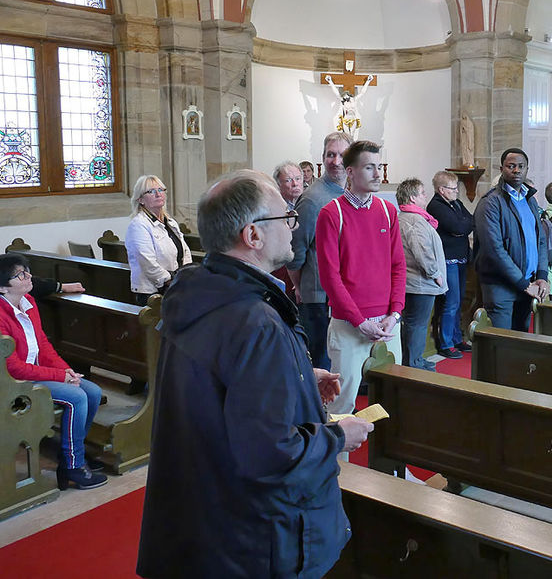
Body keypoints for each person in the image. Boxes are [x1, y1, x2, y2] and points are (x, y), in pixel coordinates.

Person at [136, 170, 373, 578]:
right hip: (256, 536)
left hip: (208, 512)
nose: (294, 226)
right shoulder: (254, 320)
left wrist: (297, 374)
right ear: (253, 235)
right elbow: (270, 453)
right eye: (286, 218)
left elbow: (216, 391)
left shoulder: (201, 292)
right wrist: (338, 436)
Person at [0, 253, 107, 490]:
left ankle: (71, 455)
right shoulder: (0, 314)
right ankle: (73, 466)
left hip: (35, 372)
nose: (28, 277)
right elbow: (13, 367)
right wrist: (59, 377)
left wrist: (66, 370)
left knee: (92, 391)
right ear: (3, 287)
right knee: (76, 397)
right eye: (20, 274)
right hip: (12, 382)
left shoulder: (29, 302)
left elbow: (43, 346)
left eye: (27, 271)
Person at [316, 140, 405, 416]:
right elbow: (330, 277)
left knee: (392, 400)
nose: (378, 174)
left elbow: (398, 266)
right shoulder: (332, 214)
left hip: (388, 325)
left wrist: (395, 313)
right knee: (342, 404)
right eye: (370, 167)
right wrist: (360, 321)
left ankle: (391, 462)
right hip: (349, 326)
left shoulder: (388, 211)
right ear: (350, 172)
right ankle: (338, 460)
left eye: (379, 167)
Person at [288, 132, 353, 370]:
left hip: (344, 293)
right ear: (322, 158)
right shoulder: (313, 199)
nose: (336, 161)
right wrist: (301, 286)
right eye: (330, 155)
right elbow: (295, 252)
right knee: (322, 362)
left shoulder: (351, 193)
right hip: (318, 298)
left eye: (342, 154)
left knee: (342, 361)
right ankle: (321, 408)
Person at [473, 148, 549, 331]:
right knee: (502, 342)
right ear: (501, 169)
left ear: (527, 169)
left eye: (521, 166)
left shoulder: (529, 199)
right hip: (501, 286)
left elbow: (540, 240)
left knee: (520, 341)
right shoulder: (490, 202)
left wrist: (542, 276)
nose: (516, 170)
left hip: (527, 283)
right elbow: (494, 250)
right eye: (511, 166)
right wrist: (523, 284)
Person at [397, 178, 447, 370]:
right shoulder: (414, 221)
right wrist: (435, 274)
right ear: (412, 197)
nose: (426, 196)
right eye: (422, 193)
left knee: (413, 324)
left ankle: (413, 360)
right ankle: (413, 363)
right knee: (416, 326)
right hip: (419, 283)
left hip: (413, 282)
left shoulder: (407, 217)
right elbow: (422, 251)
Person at [427, 170, 474, 358]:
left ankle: (456, 338)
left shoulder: (455, 203)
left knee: (459, 300)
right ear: (441, 190)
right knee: (450, 302)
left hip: (461, 257)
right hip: (447, 260)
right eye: (453, 188)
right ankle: (445, 342)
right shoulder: (436, 206)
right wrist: (461, 228)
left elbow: (470, 221)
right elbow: (457, 227)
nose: (456, 192)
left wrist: (461, 227)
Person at [125, 175, 192, 305]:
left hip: (176, 286)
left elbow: (185, 251)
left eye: (161, 190)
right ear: (140, 199)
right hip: (153, 293)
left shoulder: (171, 222)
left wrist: (186, 275)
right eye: (151, 191)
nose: (158, 194)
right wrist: (170, 281)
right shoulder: (138, 225)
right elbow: (147, 262)